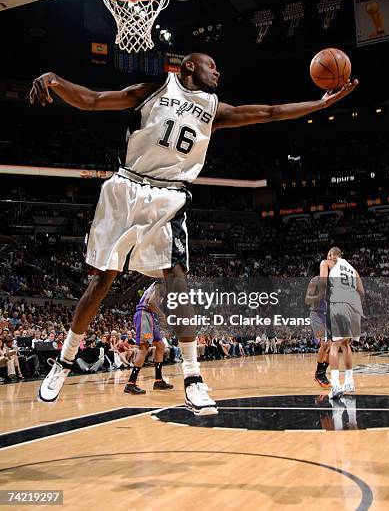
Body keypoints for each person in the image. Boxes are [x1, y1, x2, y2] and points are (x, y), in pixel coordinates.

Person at [30, 52, 358, 413]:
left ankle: (192, 377)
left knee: (177, 279)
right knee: (101, 282)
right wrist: (55, 79)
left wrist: (319, 103)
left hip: (169, 195)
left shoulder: (214, 108)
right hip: (126, 189)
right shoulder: (152, 91)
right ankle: (63, 362)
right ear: (189, 66)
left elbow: (269, 112)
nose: (217, 71)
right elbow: (91, 100)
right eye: (211, 65)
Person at [319, 247, 365, 400]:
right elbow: (362, 291)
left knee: (334, 344)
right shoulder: (353, 270)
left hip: (338, 304)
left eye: (328, 255)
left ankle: (336, 386)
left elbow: (323, 283)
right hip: (354, 306)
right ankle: (349, 382)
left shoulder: (327, 262)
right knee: (346, 344)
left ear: (332, 255)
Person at [124, 281, 173, 394]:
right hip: (143, 315)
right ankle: (130, 384)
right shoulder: (160, 284)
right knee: (144, 348)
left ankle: (158, 381)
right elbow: (151, 303)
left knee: (161, 345)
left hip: (149, 317)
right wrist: (162, 315)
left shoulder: (161, 287)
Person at [305, 260, 330, 388]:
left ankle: (323, 373)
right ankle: (318, 374)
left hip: (329, 316)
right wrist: (319, 296)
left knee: (332, 348)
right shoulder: (315, 281)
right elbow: (307, 300)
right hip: (317, 315)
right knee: (324, 344)